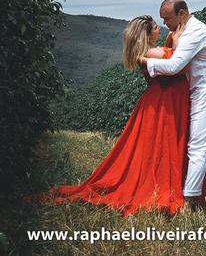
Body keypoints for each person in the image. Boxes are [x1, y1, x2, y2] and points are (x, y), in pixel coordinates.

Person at [46, 15, 190, 216]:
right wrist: (177, 41)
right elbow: (180, 63)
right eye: (156, 27)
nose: (161, 29)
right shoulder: (153, 51)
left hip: (161, 100)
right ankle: (161, 187)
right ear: (147, 35)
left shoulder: (149, 50)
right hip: (164, 101)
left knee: (157, 147)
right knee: (162, 146)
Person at [138, 0, 206, 208]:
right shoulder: (185, 30)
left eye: (167, 19)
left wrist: (144, 61)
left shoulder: (194, 32)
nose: (165, 24)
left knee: (197, 147)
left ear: (182, 13)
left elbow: (174, 66)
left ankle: (189, 200)